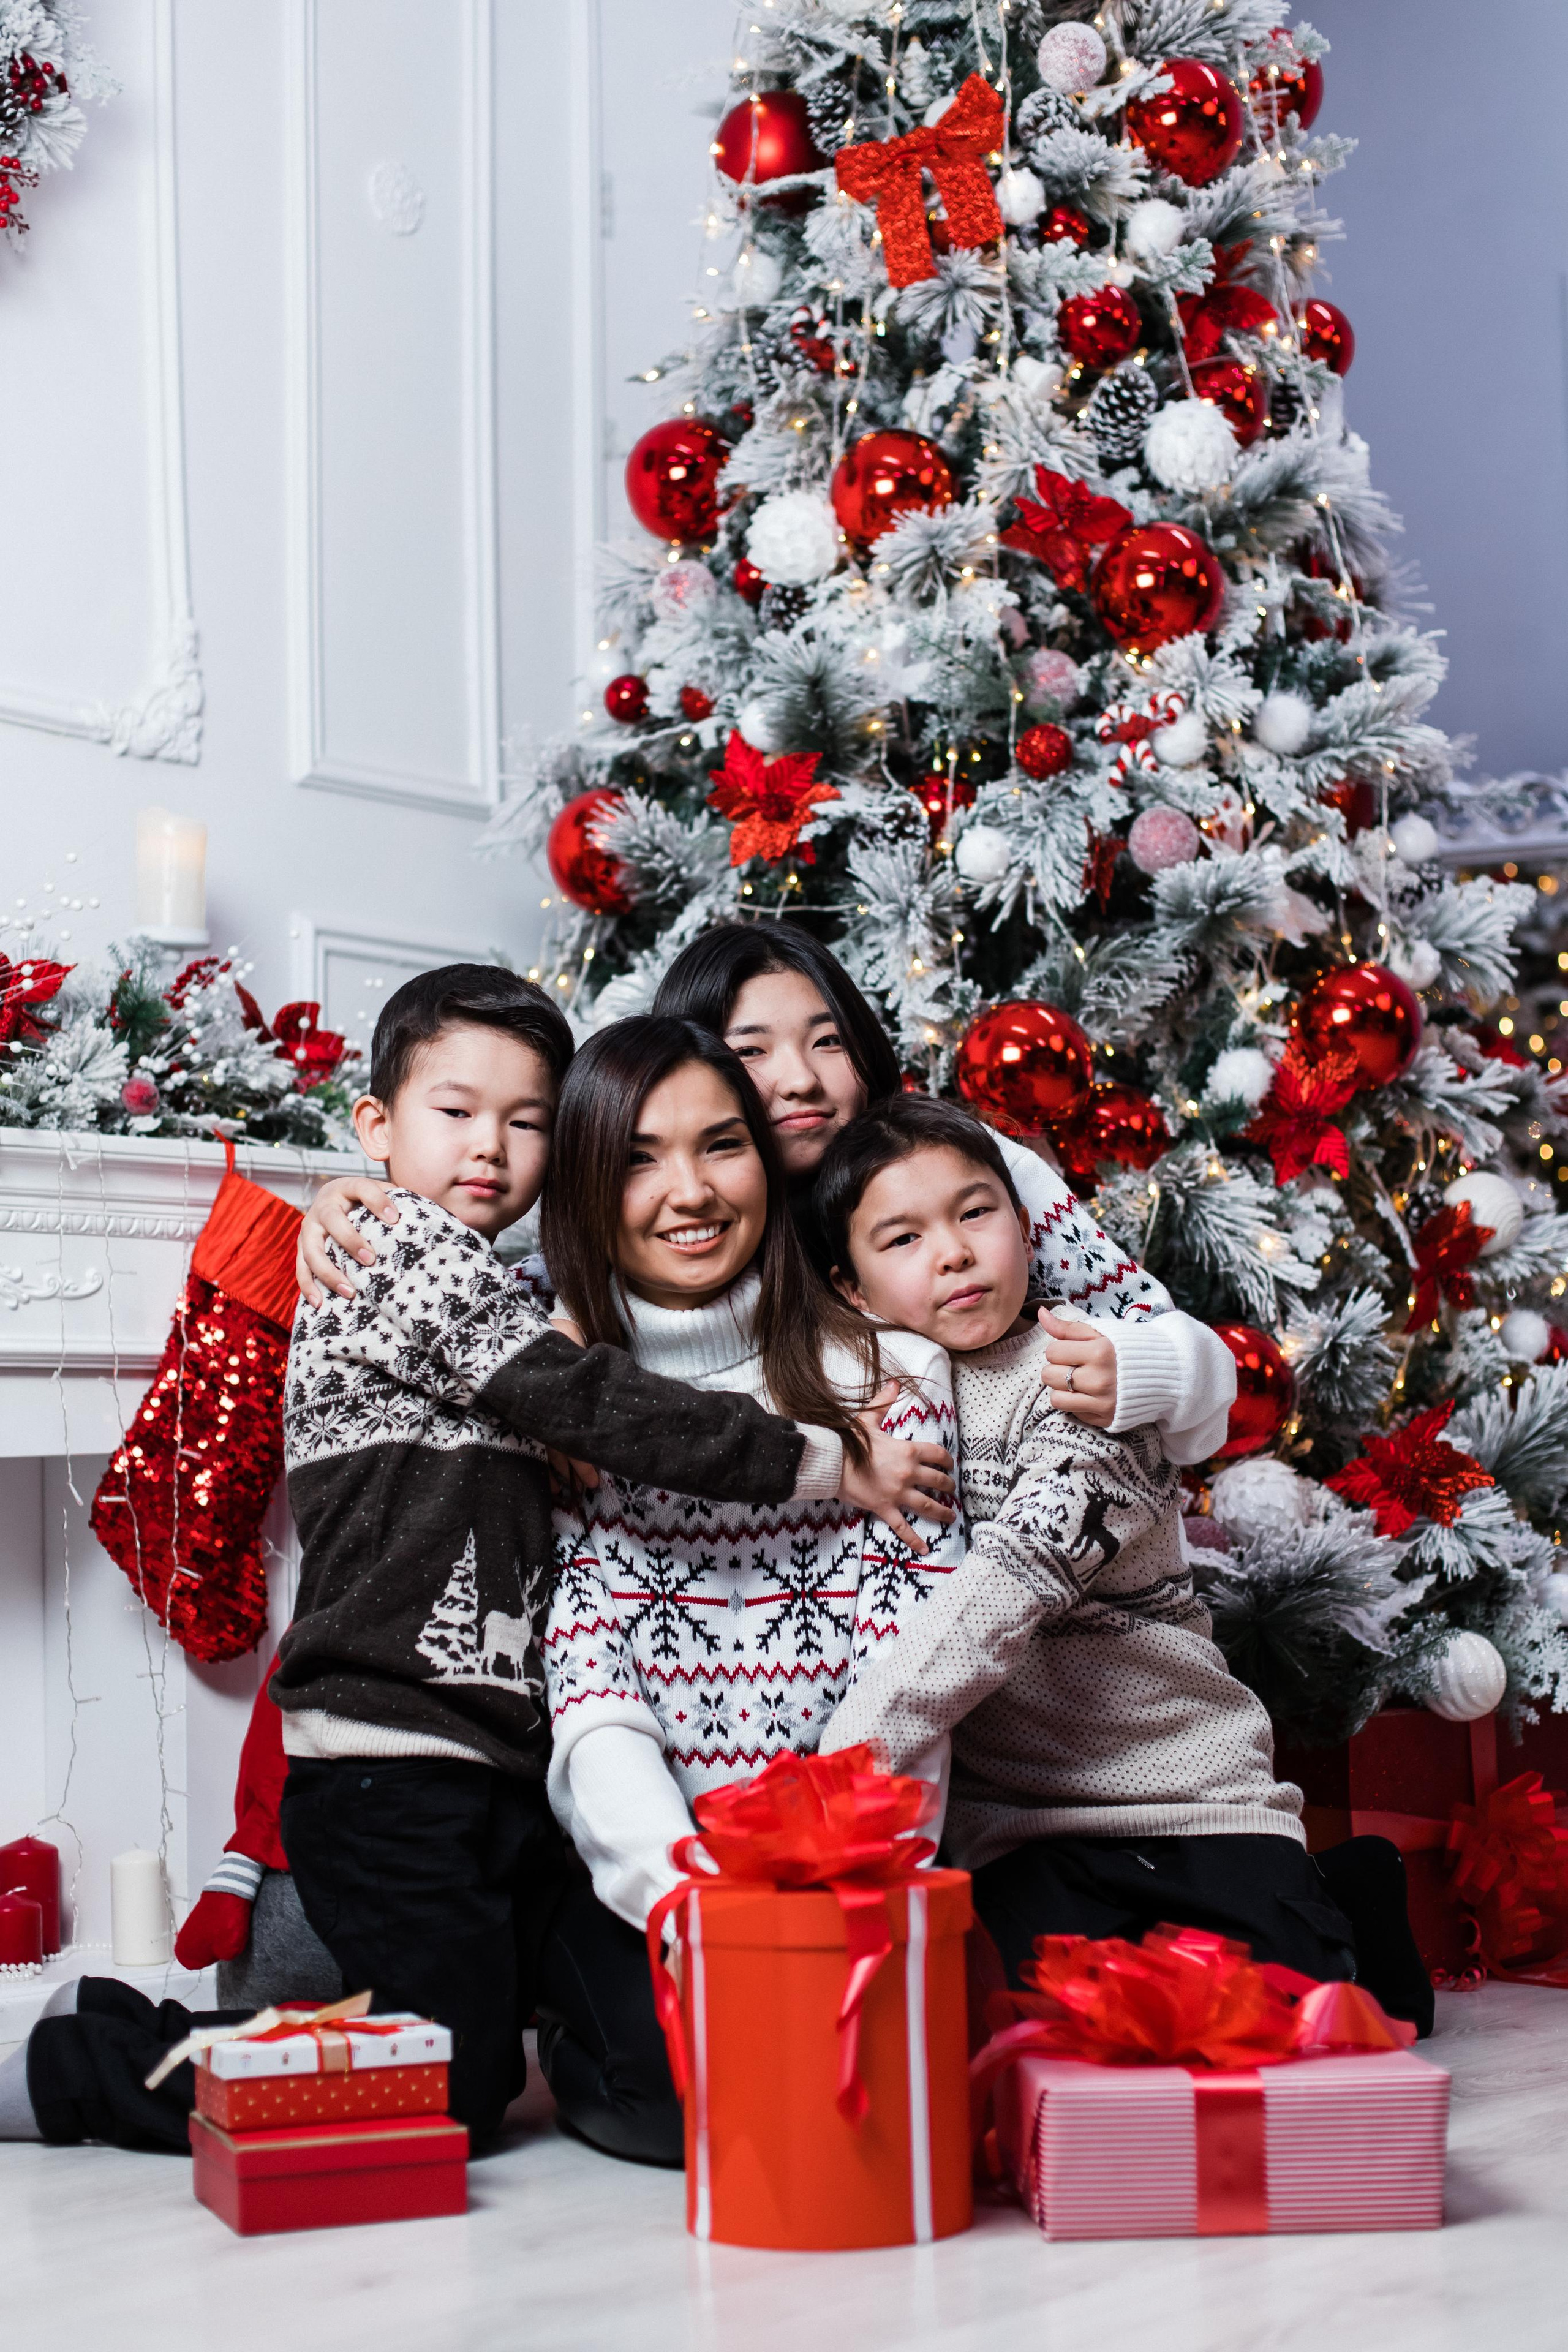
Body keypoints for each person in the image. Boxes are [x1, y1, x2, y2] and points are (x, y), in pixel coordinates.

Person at [9, 965, 949, 2154]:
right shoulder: (402, 1255)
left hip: (495, 1769)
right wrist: (829, 1464)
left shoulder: (500, 1290)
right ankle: (80, 2068)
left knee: (506, 2038)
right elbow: (586, 1398)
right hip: (389, 1766)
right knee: (451, 2084)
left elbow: (547, 1368)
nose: (493, 1150)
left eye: (528, 1121)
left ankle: (141, 2024)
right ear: (376, 1127)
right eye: (455, 1114)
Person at [813, 1094, 1433, 2036]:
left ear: (1024, 1229)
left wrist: (843, 1770)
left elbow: (1010, 1585)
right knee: (1083, 2030)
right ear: (851, 1289)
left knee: (1286, 2023)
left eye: (975, 1213)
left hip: (1185, 1787)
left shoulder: (1089, 1375)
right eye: (901, 1238)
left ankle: (1345, 1894)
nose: (952, 1252)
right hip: (1024, 1825)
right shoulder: (872, 1401)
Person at [295, 924, 1235, 1468]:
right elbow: (513, 1260)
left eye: (827, 1042)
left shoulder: (967, 1174)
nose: (800, 1079)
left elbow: (1187, 1361)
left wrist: (1149, 1371)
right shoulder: (676, 1217)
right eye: (751, 1052)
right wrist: (350, 1198)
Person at [532, 1016, 967, 2167]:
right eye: (638, 1157)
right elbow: (591, 1688)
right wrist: (690, 1901)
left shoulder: (889, 1377)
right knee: (690, 2110)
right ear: (585, 1184)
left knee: (867, 2094)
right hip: (660, 1875)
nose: (690, 1191)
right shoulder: (566, 1403)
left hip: (850, 1867)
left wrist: (842, 1882)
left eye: (721, 1146)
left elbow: (917, 1666)